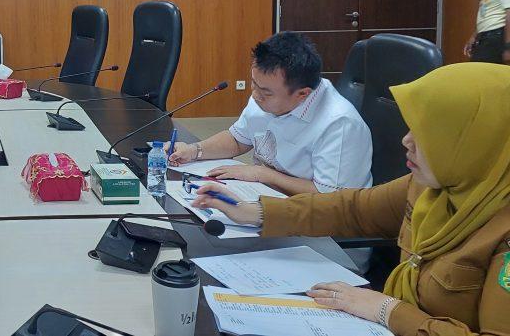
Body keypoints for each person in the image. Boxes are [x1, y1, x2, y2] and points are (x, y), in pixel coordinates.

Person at [191, 63, 510, 336]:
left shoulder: (503, 233)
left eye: (428, 135)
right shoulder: (435, 186)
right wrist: (256, 213)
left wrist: (389, 311)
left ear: (478, 144)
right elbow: (351, 209)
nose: (406, 141)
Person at [169, 32, 372, 196]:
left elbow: (330, 197)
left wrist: (263, 174)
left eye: (265, 92)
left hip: (318, 220)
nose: (255, 95)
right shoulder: (265, 96)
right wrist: (194, 150)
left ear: (302, 94)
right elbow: (238, 140)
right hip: (265, 196)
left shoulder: (339, 124)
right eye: (253, 83)